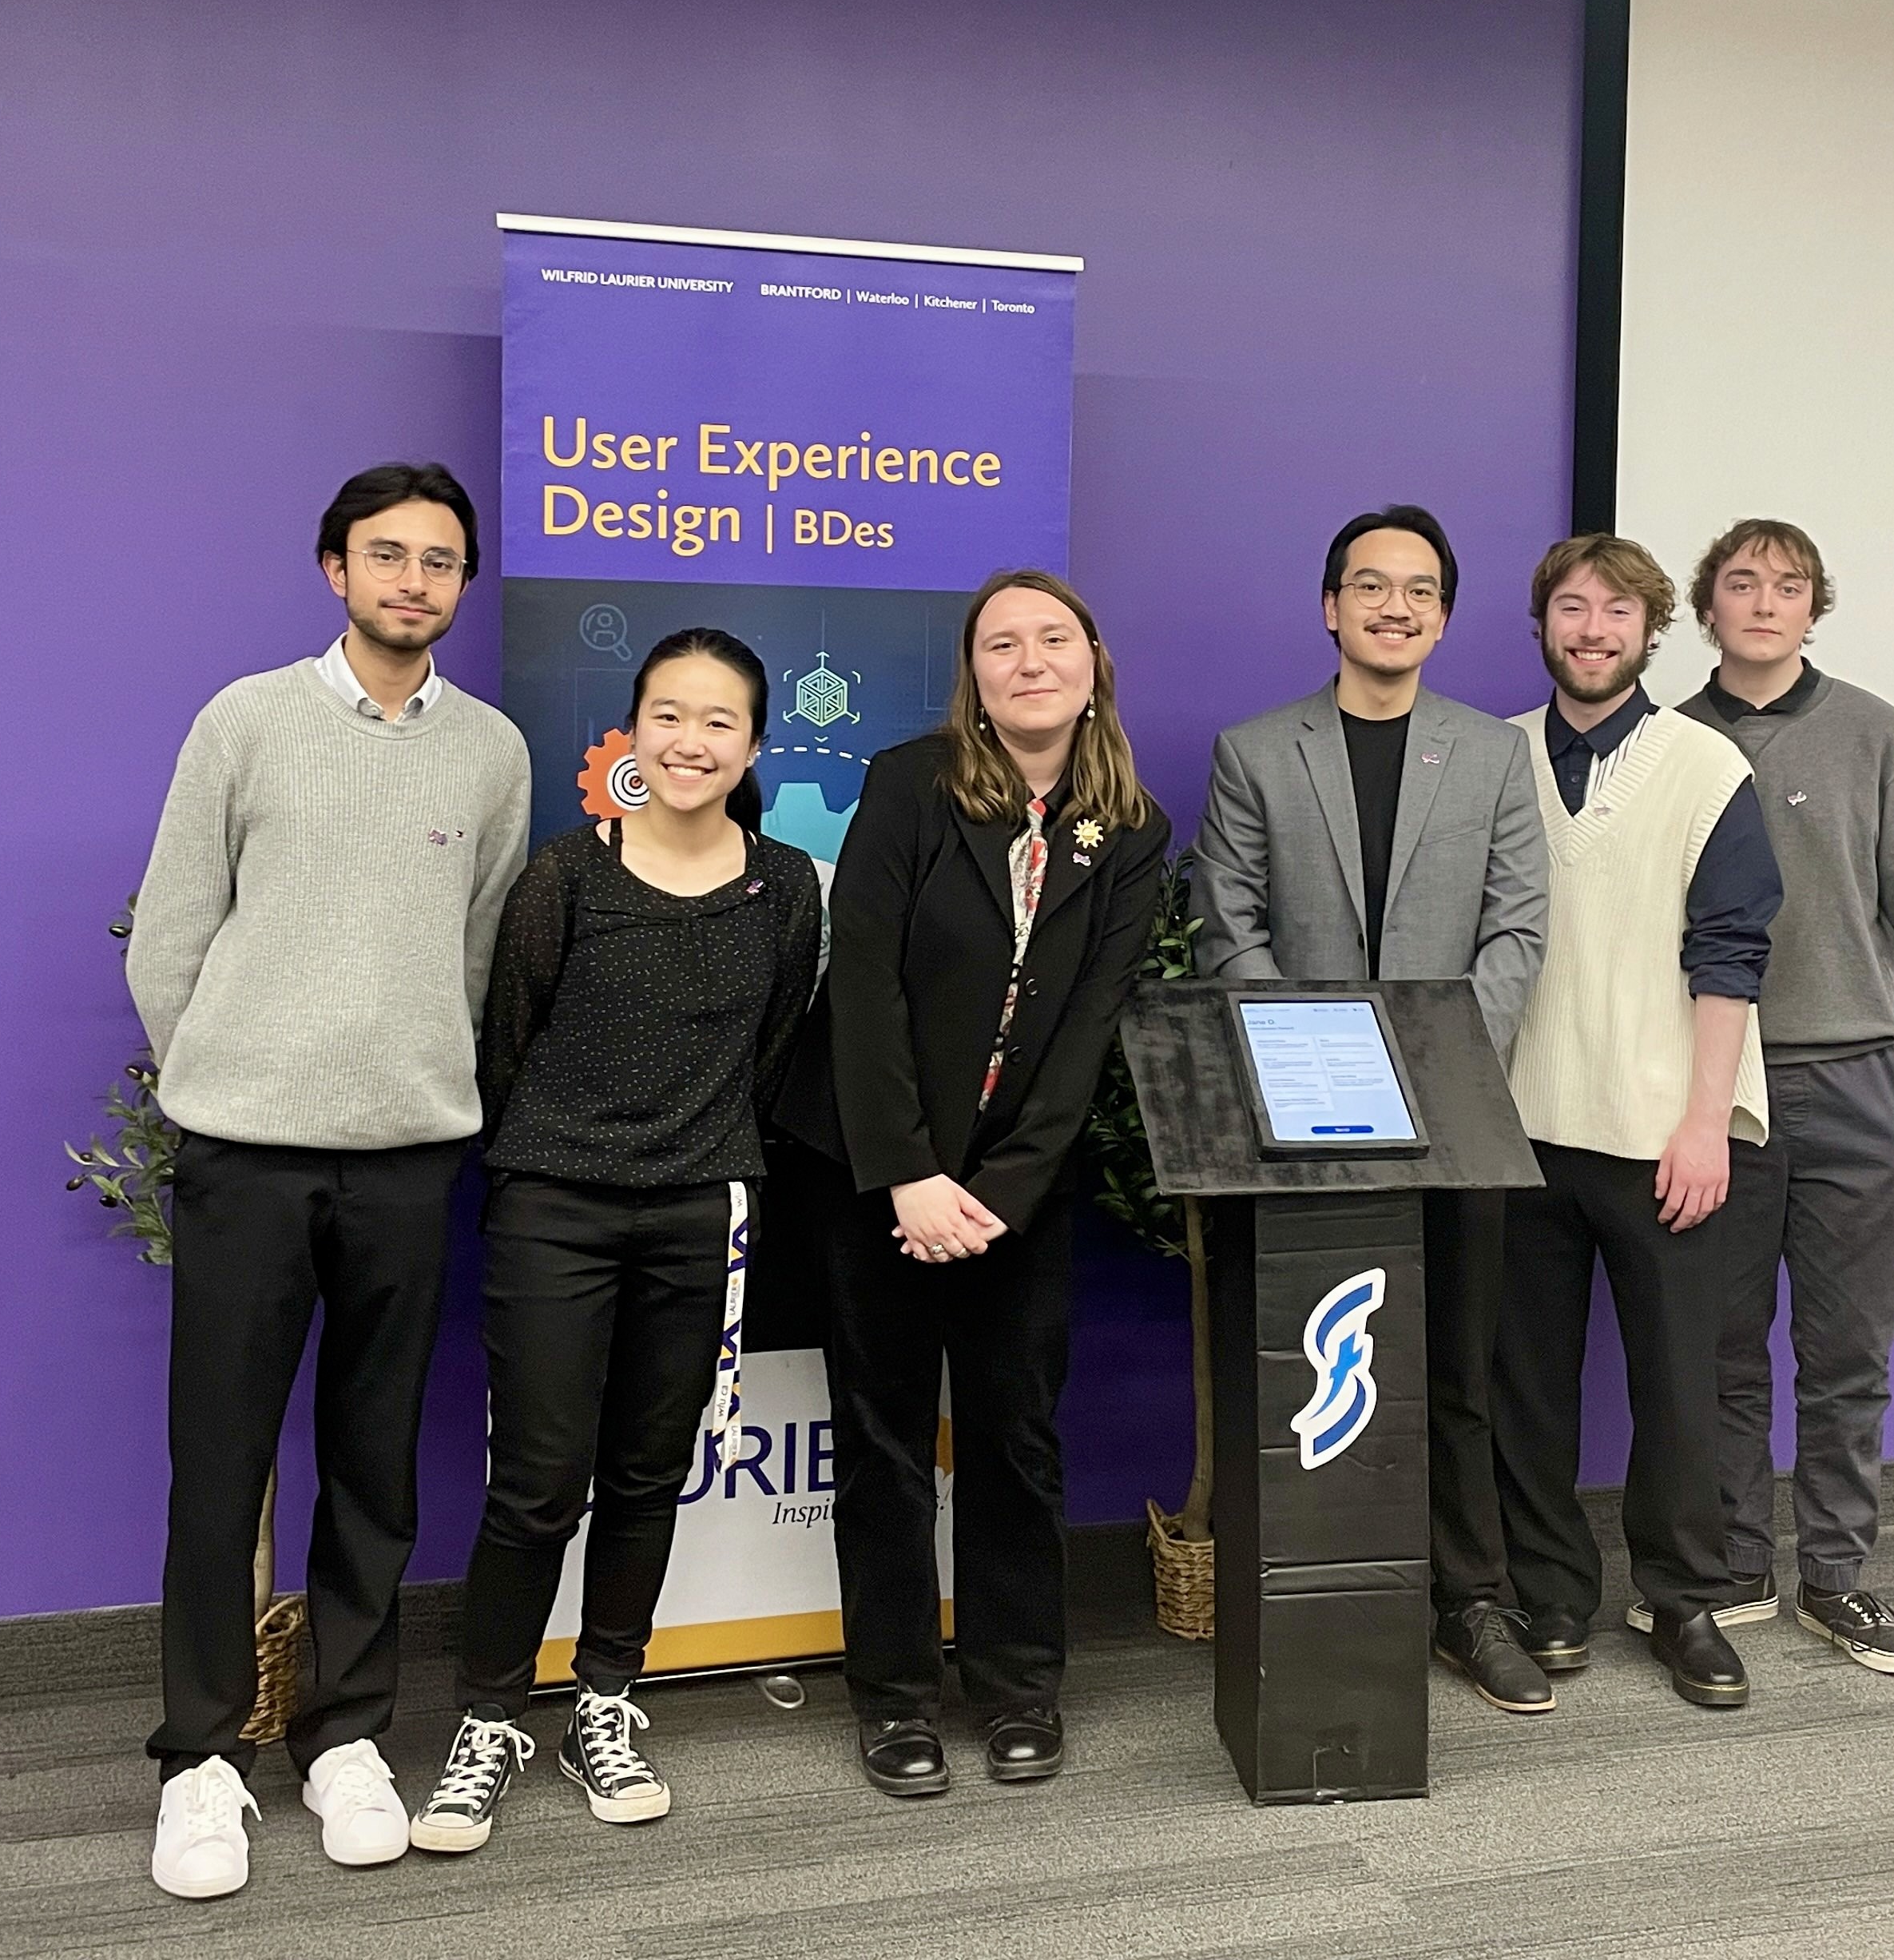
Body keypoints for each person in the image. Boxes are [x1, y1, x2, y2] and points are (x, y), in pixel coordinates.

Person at [127, 462, 531, 1902]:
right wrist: (234, 1081)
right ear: (333, 571)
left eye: (439, 562)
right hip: (246, 1156)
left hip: (411, 1161)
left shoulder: (491, 751)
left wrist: (410, 1083)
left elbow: (476, 956)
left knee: (372, 1464)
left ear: (460, 586)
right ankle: (199, 1758)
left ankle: (345, 1734)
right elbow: (168, 938)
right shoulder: (247, 721)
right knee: (219, 1464)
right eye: (386, 556)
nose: (413, 581)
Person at [407, 628, 820, 1852]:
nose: (691, 743)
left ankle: (607, 1697)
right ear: (634, 729)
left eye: (719, 723)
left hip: (701, 1210)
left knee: (648, 1472)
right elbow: (509, 1041)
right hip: (555, 1207)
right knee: (538, 1483)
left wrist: (695, 1152)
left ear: (754, 745)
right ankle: (489, 1720)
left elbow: (775, 1049)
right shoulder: (564, 877)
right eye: (669, 715)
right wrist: (577, 1153)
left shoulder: (785, 885)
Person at [776, 570, 1171, 1797]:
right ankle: (894, 1698)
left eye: (1055, 638)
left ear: (1095, 661)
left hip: (1015, 1193)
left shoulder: (1135, 830)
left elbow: (1089, 1028)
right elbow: (867, 991)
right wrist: (908, 1176)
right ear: (975, 674)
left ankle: (1015, 1686)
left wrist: (995, 1187)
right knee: (885, 1444)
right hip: (872, 1174)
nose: (1030, 660)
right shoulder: (909, 781)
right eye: (1003, 643)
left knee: (1016, 1439)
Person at [1188, 506, 1554, 1714]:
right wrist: (1311, 1068)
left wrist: (1441, 1068)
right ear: (1331, 607)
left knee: (1453, 1369)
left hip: (1456, 1118)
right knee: (1305, 1369)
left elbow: (1516, 929)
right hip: (1300, 1124)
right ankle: (1304, 1597)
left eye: (1420, 592)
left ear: (1443, 617)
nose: (1394, 608)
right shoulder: (1257, 750)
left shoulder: (1497, 757)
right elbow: (1226, 925)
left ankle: (1471, 1603)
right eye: (1369, 587)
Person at [1488, 533, 1782, 1710]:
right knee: (1525, 1387)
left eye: (1618, 612)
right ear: (1543, 623)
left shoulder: (1705, 768)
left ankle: (1683, 1601)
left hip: (1669, 1131)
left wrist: (1707, 1122)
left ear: (1653, 630)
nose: (1594, 629)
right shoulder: (1492, 759)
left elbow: (1731, 955)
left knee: (1676, 1386)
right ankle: (1551, 1597)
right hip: (1518, 1125)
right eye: (1572, 608)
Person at [1679, 519, 1894, 1676]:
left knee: (1847, 1355)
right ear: (1707, 607)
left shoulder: (1874, 734)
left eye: (1786, 585)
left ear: (1813, 607)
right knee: (1722, 1349)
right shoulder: (1669, 741)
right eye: (1740, 583)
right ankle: (1736, 1566)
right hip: (1721, 1090)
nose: (1763, 602)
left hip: (1860, 1084)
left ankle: (1837, 1578)